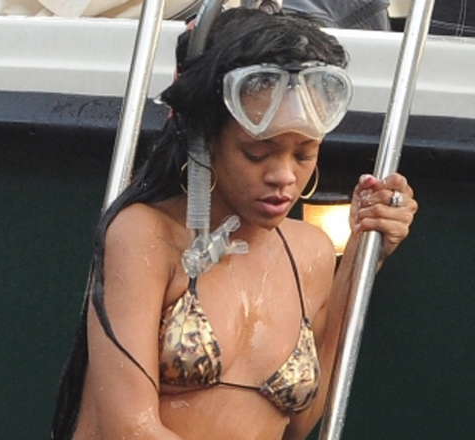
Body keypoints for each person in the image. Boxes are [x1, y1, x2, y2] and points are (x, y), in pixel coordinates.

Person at [52, 7, 418, 440]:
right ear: (204, 142)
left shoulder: (312, 251)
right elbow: (129, 428)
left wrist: (363, 255)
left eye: (304, 154)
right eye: (256, 153)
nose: (283, 176)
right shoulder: (146, 234)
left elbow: (301, 421)